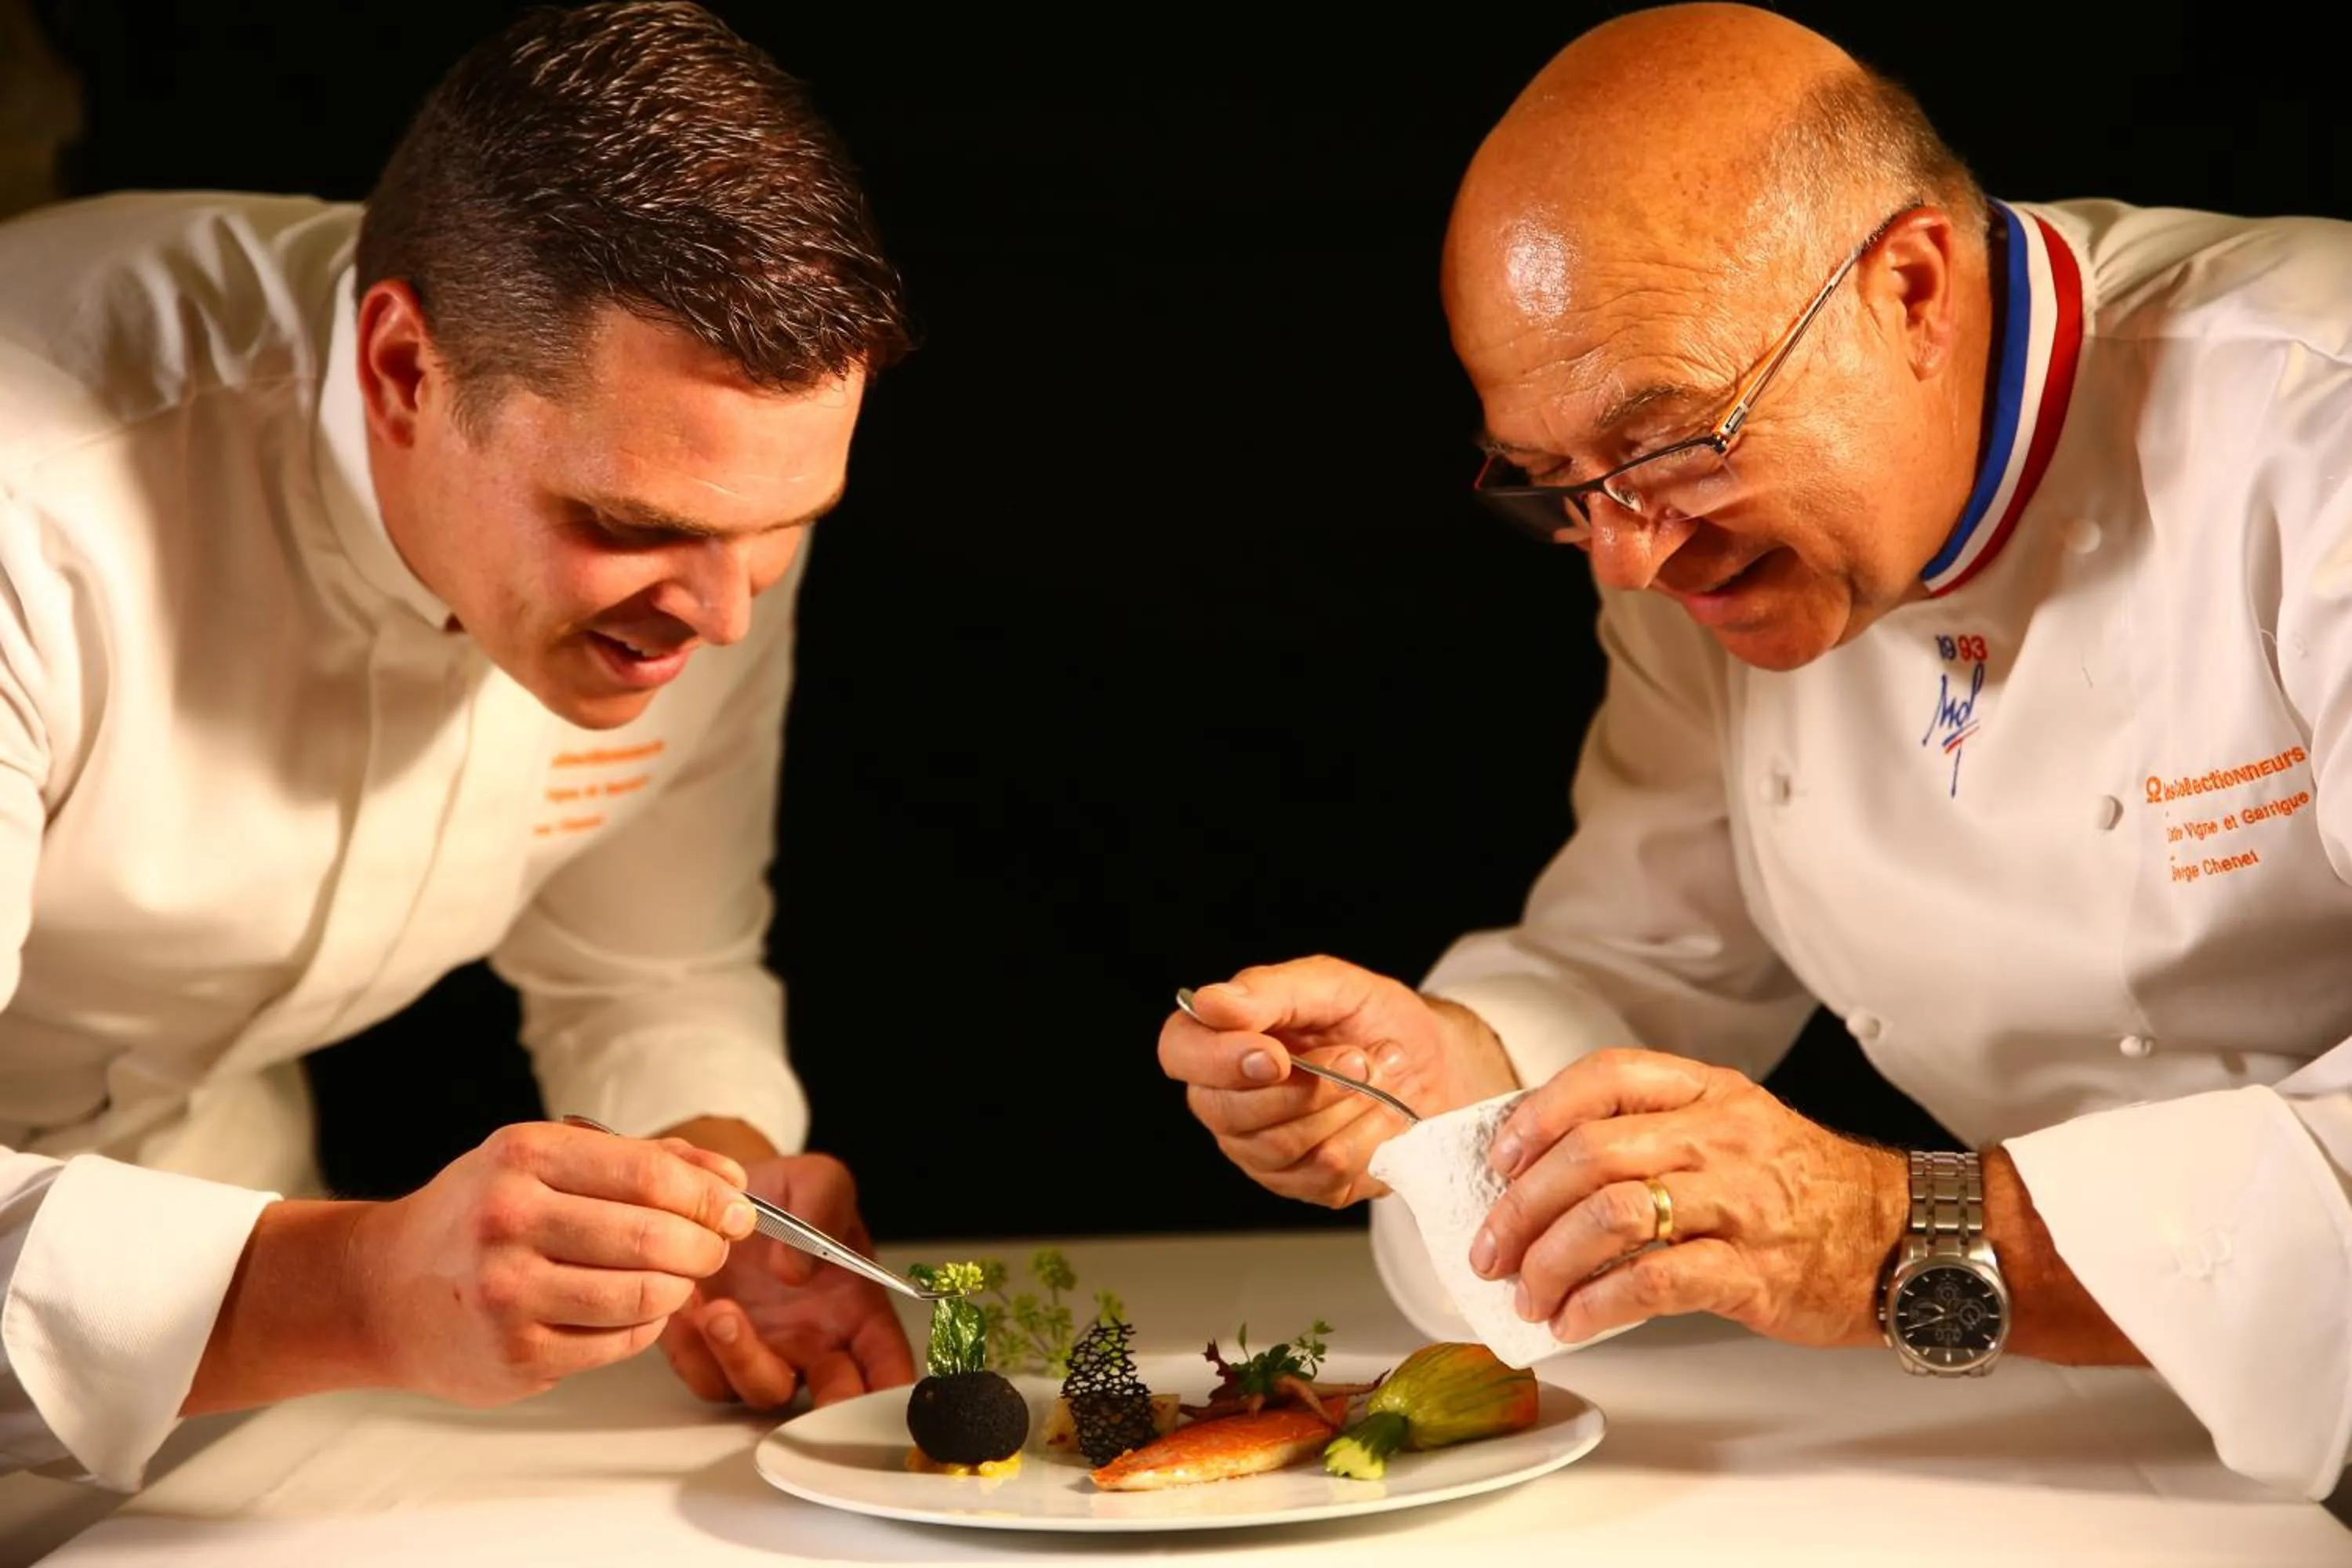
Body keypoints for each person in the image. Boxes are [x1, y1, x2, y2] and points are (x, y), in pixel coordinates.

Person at [1161, 1, 2352, 1501]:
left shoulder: (2316, 420)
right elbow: (1638, 956)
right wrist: (1448, 1086)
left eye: (1670, 443)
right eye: (1551, 480)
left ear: (1912, 290)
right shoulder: (1671, 541)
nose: (1628, 559)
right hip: (2104, 1437)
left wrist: (1883, 1236)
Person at [0, 1, 915, 1492]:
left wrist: (719, 1194)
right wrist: (360, 1293)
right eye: (624, 524)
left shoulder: (705, 513)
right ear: (402, 370)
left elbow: (648, 968)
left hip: (231, 1306)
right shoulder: (28, 502)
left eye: (784, 532)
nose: (722, 620)